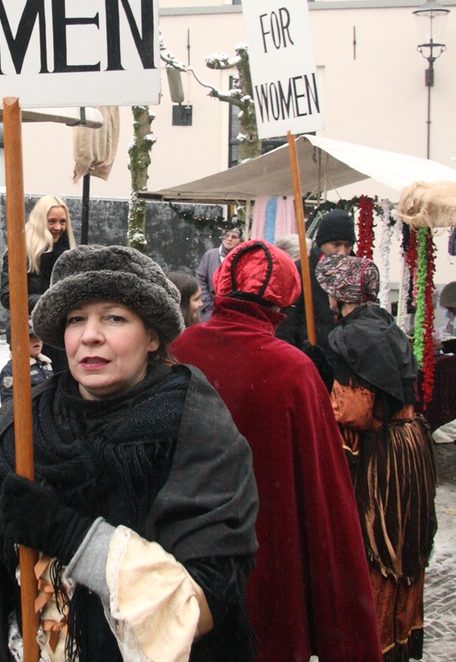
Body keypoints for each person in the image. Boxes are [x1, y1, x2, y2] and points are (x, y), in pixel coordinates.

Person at [0, 244, 259, 662]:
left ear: (153, 336)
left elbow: (200, 604)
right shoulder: (21, 425)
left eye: (114, 318)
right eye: (76, 319)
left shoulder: (196, 429)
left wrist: (70, 535)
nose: (89, 334)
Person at [171, 239, 383, 662]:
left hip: (184, 551)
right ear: (282, 302)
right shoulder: (292, 369)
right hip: (267, 553)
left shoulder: (178, 352)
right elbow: (327, 500)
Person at [323, 289, 438, 662]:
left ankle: (373, 645)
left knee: (379, 550)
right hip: (412, 445)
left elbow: (351, 409)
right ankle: (397, 638)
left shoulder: (353, 339)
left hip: (383, 458)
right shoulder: (386, 326)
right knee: (407, 544)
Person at [0, 194, 75, 372]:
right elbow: (8, 296)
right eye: (52, 221)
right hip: (33, 336)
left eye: (62, 222)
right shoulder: (20, 251)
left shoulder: (69, 254)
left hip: (63, 333)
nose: (58, 227)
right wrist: (48, 302)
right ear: (40, 221)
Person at [276, 207, 355, 358]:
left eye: (348, 245)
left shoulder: (355, 277)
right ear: (322, 243)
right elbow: (284, 327)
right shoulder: (300, 272)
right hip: (306, 361)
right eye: (336, 244)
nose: (343, 252)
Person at [0, 298, 53, 405]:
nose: (36, 340)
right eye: (30, 337)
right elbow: (8, 405)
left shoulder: (46, 363)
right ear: (14, 342)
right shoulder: (10, 370)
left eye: (38, 336)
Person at [195, 226, 243, 322]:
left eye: (234, 237)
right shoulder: (210, 255)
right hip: (210, 311)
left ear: (240, 241)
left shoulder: (243, 258)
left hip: (234, 314)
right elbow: (200, 280)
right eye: (227, 236)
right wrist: (208, 304)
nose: (229, 239)